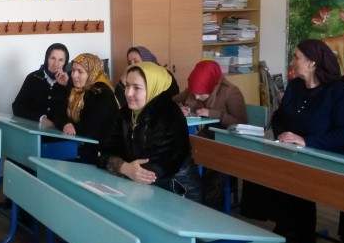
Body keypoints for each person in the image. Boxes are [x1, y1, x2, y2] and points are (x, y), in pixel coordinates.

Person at [241, 39, 344, 243]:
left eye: (296, 57)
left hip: (328, 157)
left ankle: (301, 240)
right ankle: (286, 227)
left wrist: (306, 141)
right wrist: (282, 136)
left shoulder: (338, 91)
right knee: (258, 165)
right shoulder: (295, 86)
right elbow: (278, 118)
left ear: (312, 63)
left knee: (296, 178)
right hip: (296, 152)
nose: (292, 62)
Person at [100, 62, 203, 203]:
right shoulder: (125, 113)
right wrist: (124, 167)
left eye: (137, 88)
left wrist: (123, 167)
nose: (128, 93)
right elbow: (106, 151)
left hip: (177, 192)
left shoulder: (170, 115)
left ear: (153, 87)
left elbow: (154, 171)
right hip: (139, 189)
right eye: (127, 85)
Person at [173, 59, 247, 209]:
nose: (196, 97)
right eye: (194, 93)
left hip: (227, 138)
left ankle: (208, 206)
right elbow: (172, 101)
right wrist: (180, 108)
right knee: (183, 153)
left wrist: (214, 113)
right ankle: (187, 195)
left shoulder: (231, 92)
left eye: (201, 94)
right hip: (208, 135)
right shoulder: (194, 90)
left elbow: (242, 125)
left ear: (212, 86)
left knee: (212, 162)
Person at [53, 53, 119, 164]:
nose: (74, 75)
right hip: (82, 145)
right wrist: (65, 124)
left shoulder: (101, 92)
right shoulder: (76, 90)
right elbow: (58, 114)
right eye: (73, 70)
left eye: (80, 72)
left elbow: (90, 129)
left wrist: (71, 126)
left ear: (92, 73)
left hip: (103, 153)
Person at [12, 43, 71, 127]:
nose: (56, 64)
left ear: (65, 62)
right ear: (47, 59)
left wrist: (67, 84)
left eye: (61, 60)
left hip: (60, 131)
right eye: (52, 58)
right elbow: (17, 107)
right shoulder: (33, 77)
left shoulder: (71, 81)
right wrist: (41, 118)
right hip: (34, 129)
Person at [114, 46, 179, 105]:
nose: (132, 65)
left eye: (136, 61)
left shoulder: (162, 76)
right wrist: (123, 78)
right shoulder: (133, 76)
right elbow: (117, 102)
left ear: (147, 60)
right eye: (129, 62)